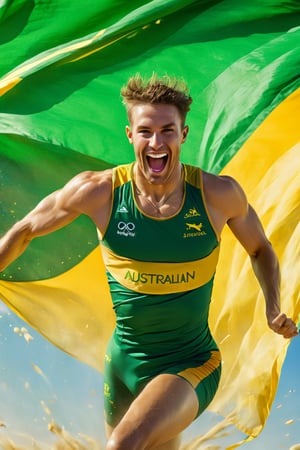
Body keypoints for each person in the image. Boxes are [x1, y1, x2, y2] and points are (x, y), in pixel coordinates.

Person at [0, 73, 298, 450]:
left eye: (167, 131)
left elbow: (261, 250)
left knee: (123, 446)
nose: (156, 143)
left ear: (183, 134)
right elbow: (25, 229)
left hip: (190, 362)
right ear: (130, 135)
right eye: (145, 131)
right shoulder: (99, 192)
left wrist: (273, 307)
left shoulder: (218, 195)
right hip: (122, 364)